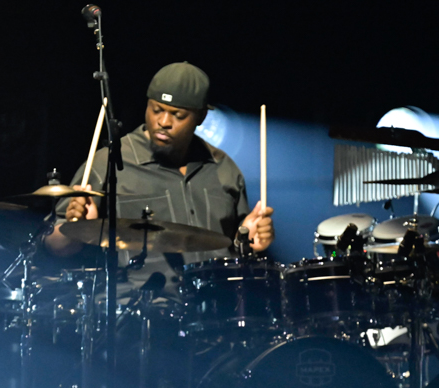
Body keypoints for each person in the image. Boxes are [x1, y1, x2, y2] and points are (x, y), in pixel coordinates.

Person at [44, 62, 274, 297]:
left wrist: (248, 242)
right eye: (157, 109)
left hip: (214, 313)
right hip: (137, 315)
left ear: (201, 116)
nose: (164, 122)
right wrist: (77, 227)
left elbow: (240, 253)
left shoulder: (223, 167)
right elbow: (53, 245)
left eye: (178, 115)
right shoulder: (109, 162)